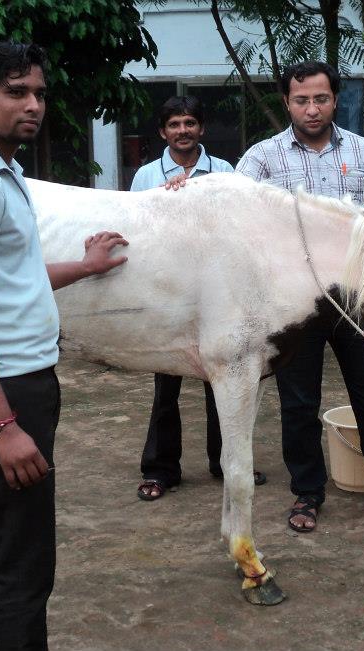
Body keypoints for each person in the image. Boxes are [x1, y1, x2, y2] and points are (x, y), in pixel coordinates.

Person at [0, 42, 128, 650]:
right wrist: (2, 425)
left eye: (38, 92)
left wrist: (84, 268)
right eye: (16, 92)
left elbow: (15, 277)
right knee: (24, 563)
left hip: (14, 384)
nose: (33, 104)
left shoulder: (1, 175)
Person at [236, 61, 364, 536]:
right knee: (298, 404)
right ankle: (307, 493)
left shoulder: (362, 152)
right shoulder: (263, 158)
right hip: (293, 304)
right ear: (286, 102)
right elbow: (232, 214)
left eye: (321, 99)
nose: (312, 108)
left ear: (335, 100)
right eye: (301, 100)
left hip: (359, 298)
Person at [129, 96, 265, 500]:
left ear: (200, 128)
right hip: (167, 293)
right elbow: (137, 231)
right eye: (174, 124)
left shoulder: (224, 171)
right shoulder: (145, 176)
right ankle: (159, 470)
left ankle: (226, 464)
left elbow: (239, 230)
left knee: (222, 382)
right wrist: (167, 199)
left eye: (190, 122)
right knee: (165, 385)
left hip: (218, 292)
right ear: (162, 131)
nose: (182, 130)